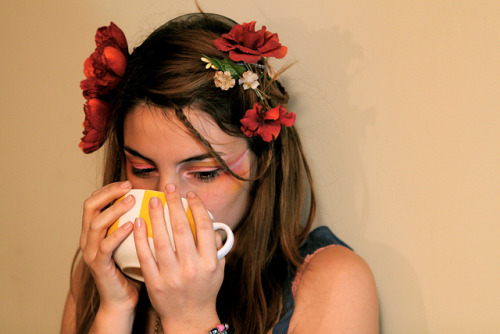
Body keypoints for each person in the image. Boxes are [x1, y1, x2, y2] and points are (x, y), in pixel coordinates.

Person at [61, 13, 378, 334]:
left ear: (262, 161)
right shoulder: (97, 280)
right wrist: (115, 310)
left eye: (204, 173)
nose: (166, 197)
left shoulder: (330, 282)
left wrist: (190, 319)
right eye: (143, 169)